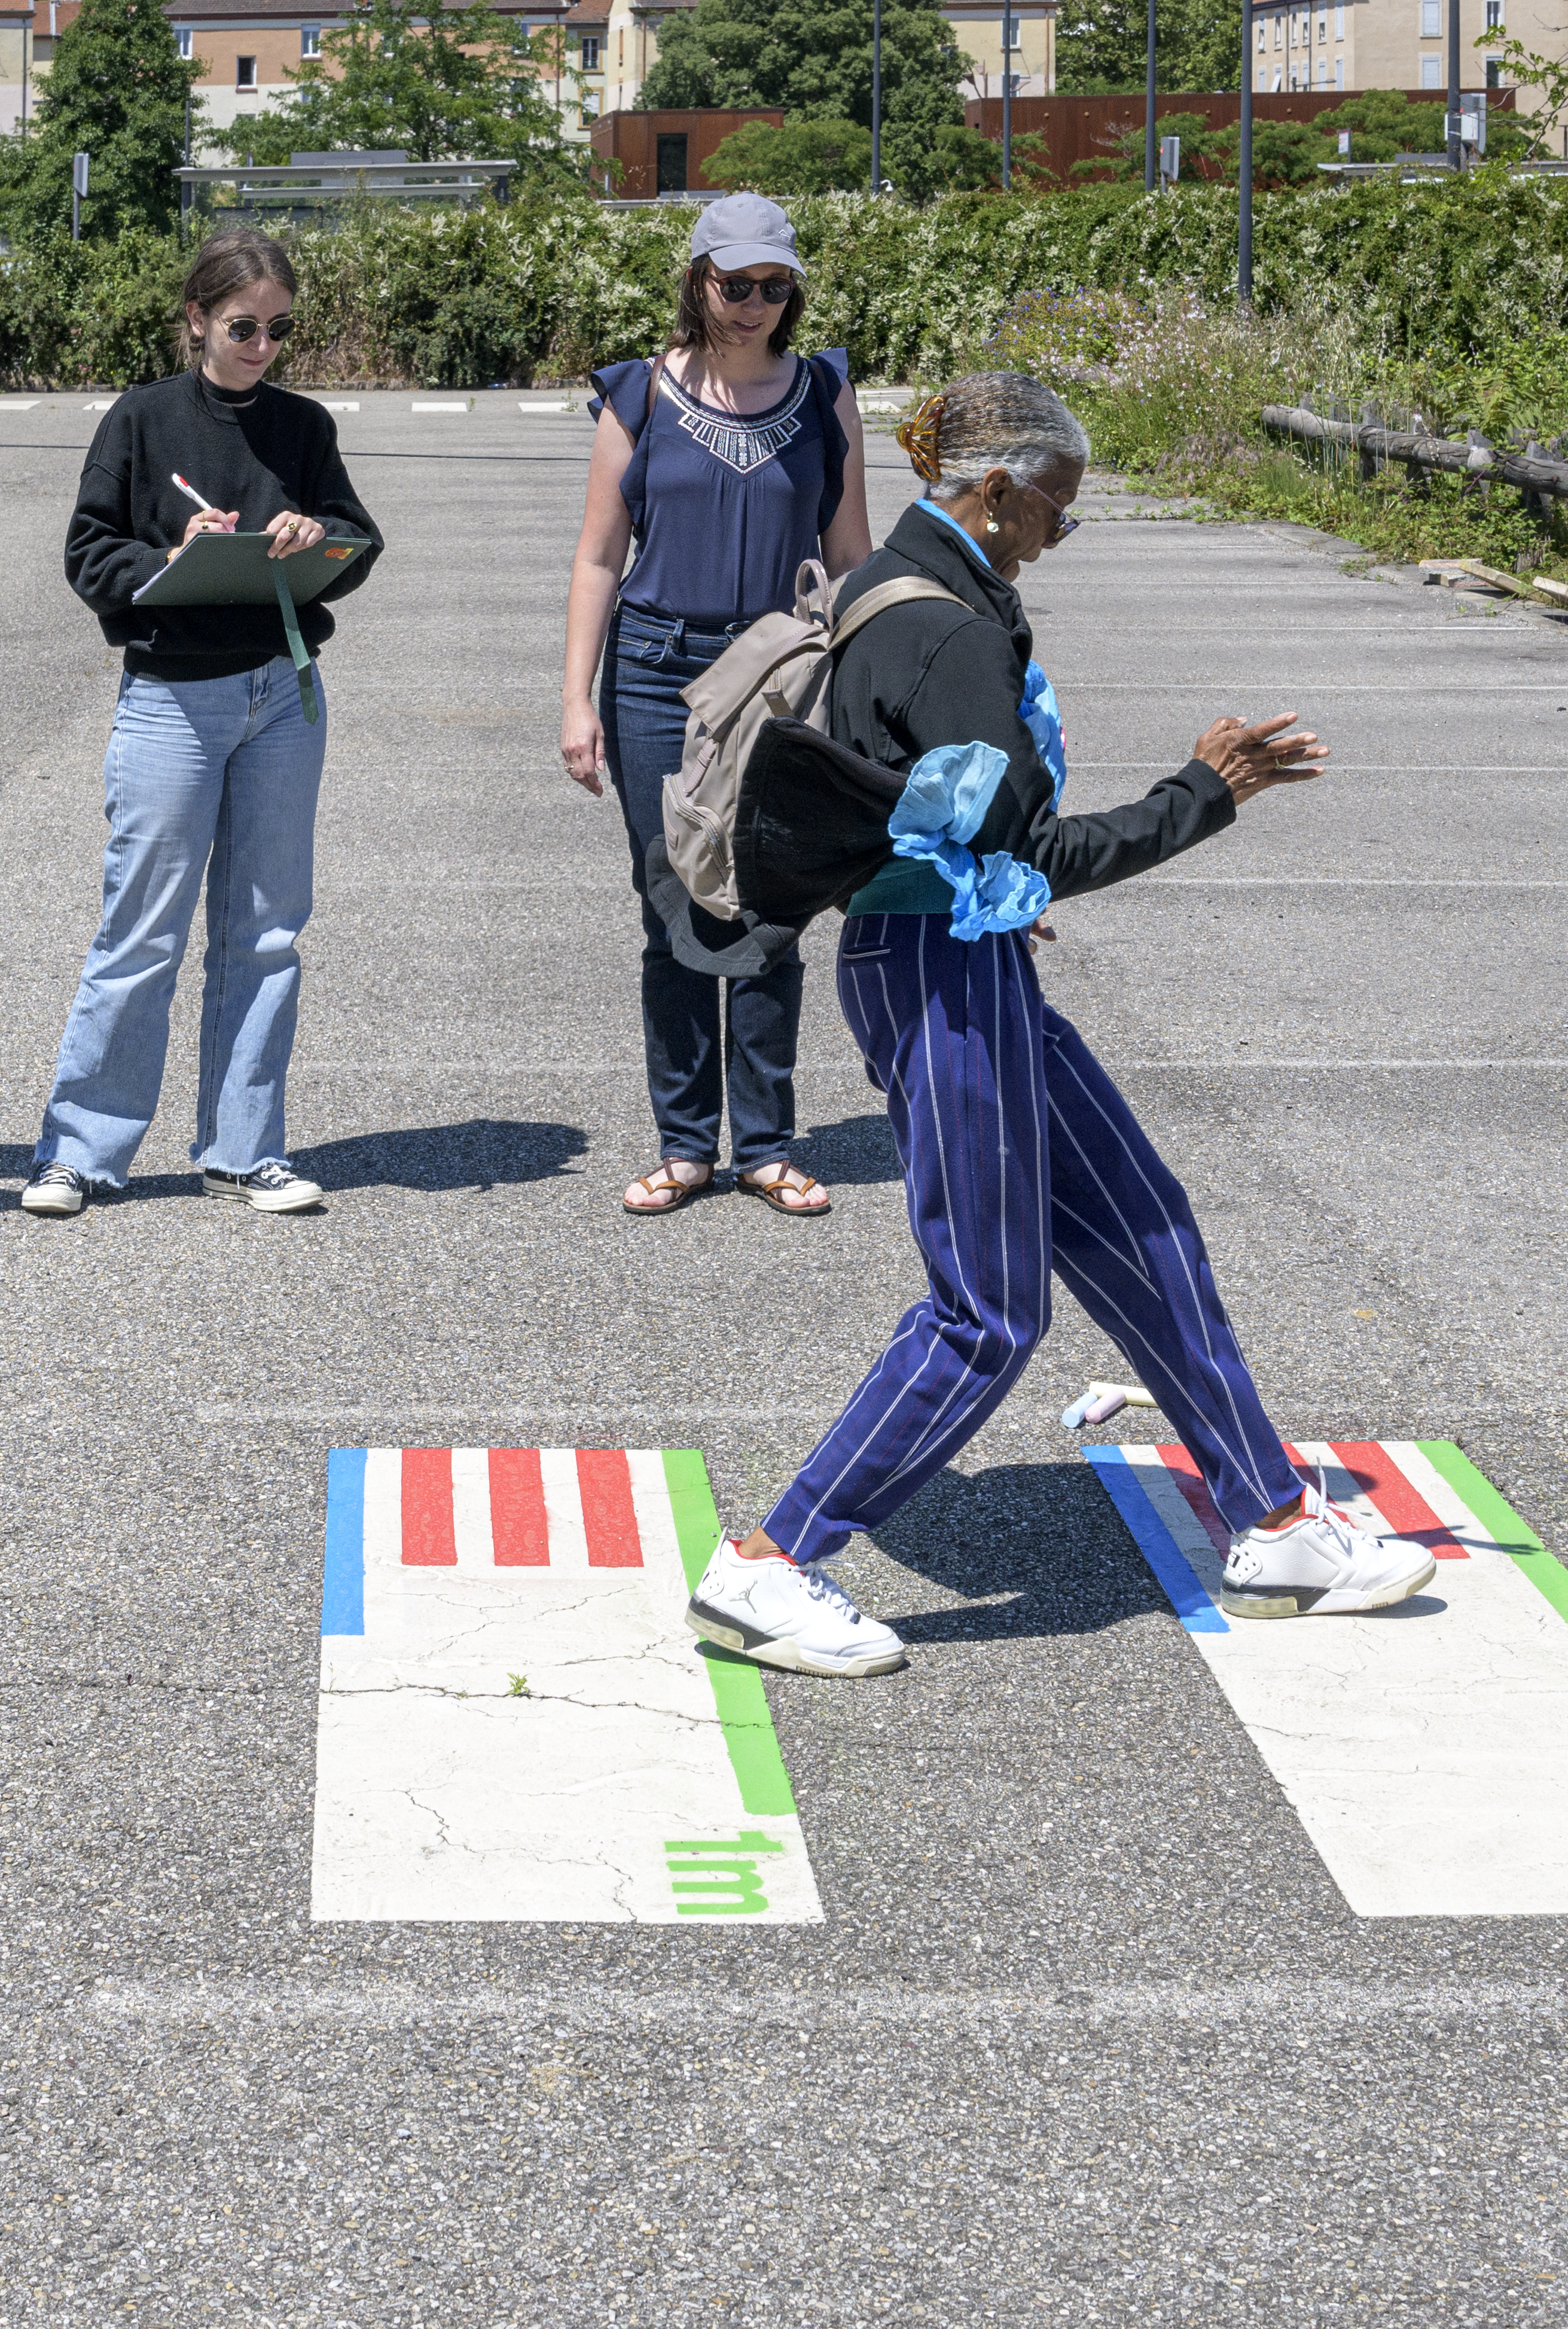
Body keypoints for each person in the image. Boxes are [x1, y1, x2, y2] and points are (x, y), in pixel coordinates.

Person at [683, 373, 1433, 1677]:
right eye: (1056, 510)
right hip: (943, 972)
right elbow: (1031, 852)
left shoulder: (899, 584)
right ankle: (769, 1560)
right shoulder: (949, 630)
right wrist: (1203, 794)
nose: (1058, 534)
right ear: (995, 490)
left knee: (1143, 1223)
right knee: (988, 1310)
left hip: (956, 961)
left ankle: (1275, 1522)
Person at [25, 227, 375, 1220]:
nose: (262, 346)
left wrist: (319, 534)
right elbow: (89, 553)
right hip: (173, 697)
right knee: (141, 930)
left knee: (267, 933)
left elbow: (357, 538)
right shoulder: (141, 419)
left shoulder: (303, 426)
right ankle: (80, 1152)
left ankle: (243, 1148)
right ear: (196, 319)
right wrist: (172, 558)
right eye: (242, 327)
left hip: (281, 693)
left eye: (279, 329)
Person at [560, 193, 871, 1220]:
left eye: (774, 286)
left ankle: (767, 1145)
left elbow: (851, 554)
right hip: (657, 671)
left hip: (783, 671)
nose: (753, 304)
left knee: (774, 904)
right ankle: (686, 1143)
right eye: (735, 283)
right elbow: (600, 557)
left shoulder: (824, 393)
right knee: (674, 900)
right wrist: (576, 700)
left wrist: (869, 691)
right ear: (698, 280)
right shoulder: (641, 394)